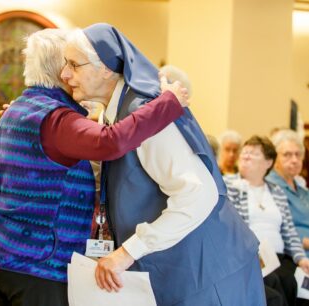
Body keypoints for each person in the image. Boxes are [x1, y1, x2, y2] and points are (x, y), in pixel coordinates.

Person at [0, 28, 188, 306]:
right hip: (35, 263)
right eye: (72, 64)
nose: (71, 74)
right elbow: (110, 142)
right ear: (60, 70)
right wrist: (167, 103)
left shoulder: (18, 110)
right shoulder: (54, 119)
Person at [61, 23, 265, 305]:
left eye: (74, 64)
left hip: (208, 272)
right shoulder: (112, 114)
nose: (65, 74)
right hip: (181, 270)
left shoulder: (144, 115)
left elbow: (197, 195)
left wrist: (126, 253)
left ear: (106, 67)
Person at [224, 135, 309, 306]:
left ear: (268, 162)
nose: (246, 156)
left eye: (254, 153)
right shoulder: (230, 186)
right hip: (250, 255)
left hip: (278, 257)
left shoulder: (276, 191)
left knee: (297, 282)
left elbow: (289, 231)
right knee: (274, 282)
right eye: (245, 152)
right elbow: (232, 228)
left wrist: (301, 258)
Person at [266, 129, 309, 257]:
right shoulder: (269, 187)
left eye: (298, 154)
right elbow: (276, 229)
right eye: (287, 155)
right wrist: (305, 242)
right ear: (274, 158)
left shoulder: (303, 191)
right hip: (293, 256)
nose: (294, 160)